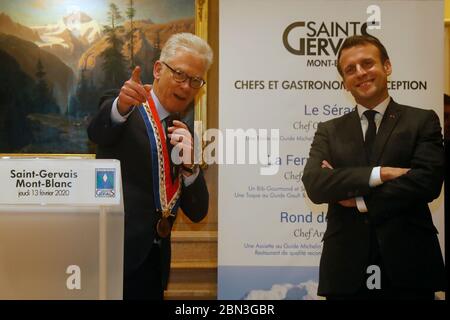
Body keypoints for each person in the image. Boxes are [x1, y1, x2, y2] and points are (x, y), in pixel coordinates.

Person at [302, 35, 445, 300]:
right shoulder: (329, 130)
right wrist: (381, 174)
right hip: (346, 269)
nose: (360, 73)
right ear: (344, 82)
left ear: (387, 67)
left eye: (367, 63)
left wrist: (358, 199)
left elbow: (427, 182)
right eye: (350, 69)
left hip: (410, 265)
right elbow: (315, 183)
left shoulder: (422, 120)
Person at [88, 32, 213, 300]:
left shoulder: (185, 133)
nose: (186, 86)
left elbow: (198, 211)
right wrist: (119, 107)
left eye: (195, 80)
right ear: (158, 69)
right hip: (114, 259)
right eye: (179, 74)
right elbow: (98, 133)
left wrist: (191, 168)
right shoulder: (127, 106)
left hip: (154, 264)